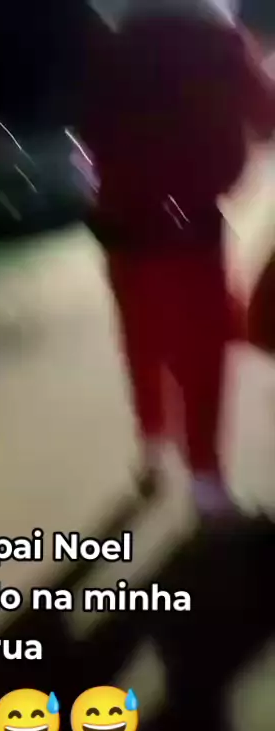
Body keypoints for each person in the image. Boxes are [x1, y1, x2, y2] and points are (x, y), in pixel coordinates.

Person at [81, 0, 275, 516]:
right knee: (202, 350)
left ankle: (152, 443)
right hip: (191, 222)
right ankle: (205, 478)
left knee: (142, 337)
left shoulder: (109, 47)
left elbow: (89, 130)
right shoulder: (221, 43)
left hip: (122, 223)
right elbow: (267, 115)